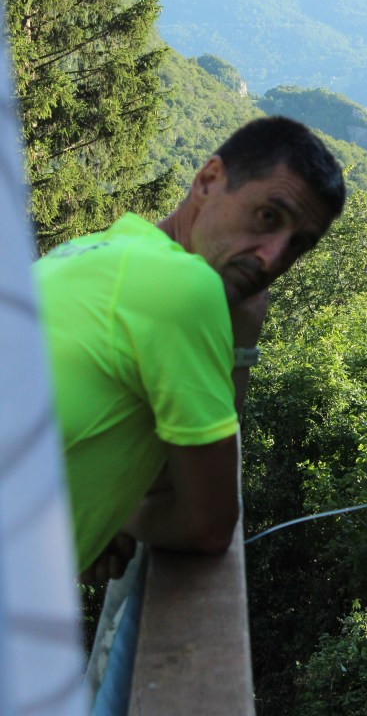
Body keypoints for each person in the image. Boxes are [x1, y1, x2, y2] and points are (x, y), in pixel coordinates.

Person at [34, 116, 345, 582]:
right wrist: (120, 521)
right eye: (267, 217)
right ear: (208, 180)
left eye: (297, 245)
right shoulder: (185, 287)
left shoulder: (90, 251)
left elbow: (156, 469)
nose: (272, 258)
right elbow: (208, 525)